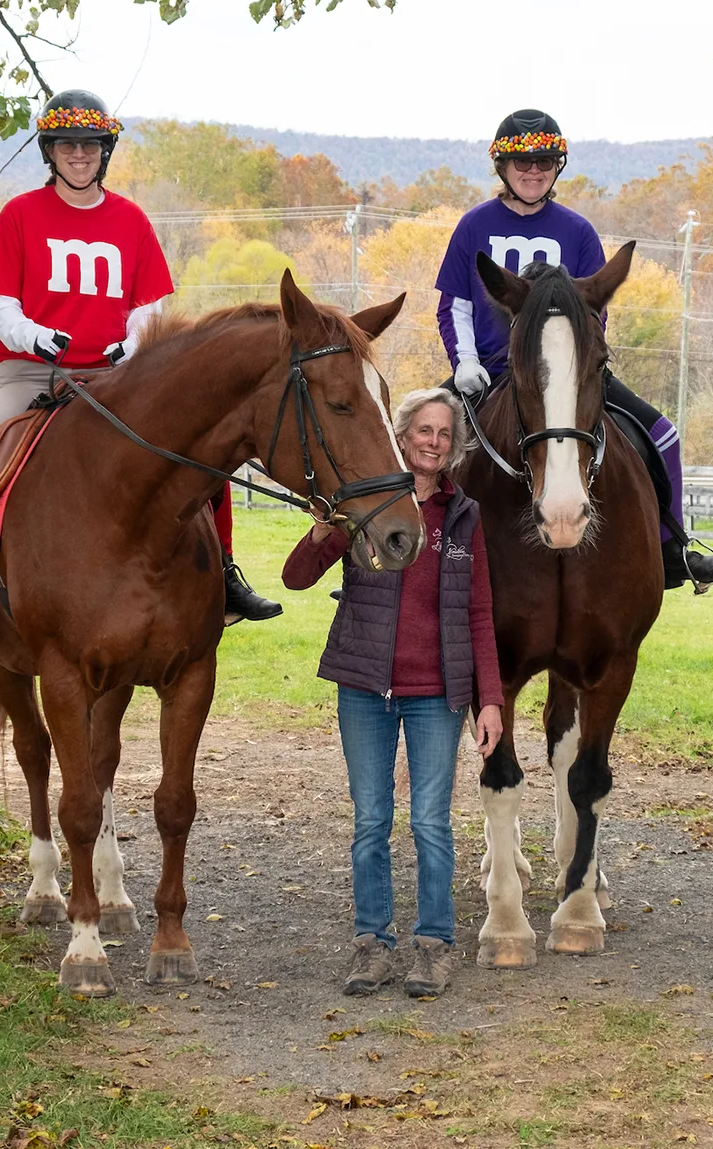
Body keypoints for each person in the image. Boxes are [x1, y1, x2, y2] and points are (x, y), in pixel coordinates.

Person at [0, 89, 282, 649]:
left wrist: (131, 342)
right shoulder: (20, 214)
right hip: (27, 371)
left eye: (91, 145)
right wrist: (35, 336)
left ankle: (224, 574)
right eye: (67, 145)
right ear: (50, 151)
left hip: (113, 377)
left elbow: (149, 304)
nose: (80, 155)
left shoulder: (130, 220)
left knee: (201, 452)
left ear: (106, 151)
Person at [433, 109, 713, 592]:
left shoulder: (577, 231)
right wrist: (465, 362)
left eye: (543, 161)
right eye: (522, 162)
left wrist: (577, 365)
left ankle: (672, 549)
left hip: (572, 372)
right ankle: (390, 562)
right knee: (409, 438)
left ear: (558, 166)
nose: (533, 170)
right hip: (490, 369)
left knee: (664, 436)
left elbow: (594, 312)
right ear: (502, 168)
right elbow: (456, 304)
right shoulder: (474, 225)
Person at [282, 388, 504, 999]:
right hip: (364, 690)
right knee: (371, 821)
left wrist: (490, 700)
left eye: (443, 433)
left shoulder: (464, 516)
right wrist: (327, 530)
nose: (432, 441)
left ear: (452, 446)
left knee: (431, 822)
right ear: (401, 436)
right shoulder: (368, 505)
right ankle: (371, 945)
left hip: (437, 693)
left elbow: (480, 613)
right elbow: (295, 579)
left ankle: (433, 947)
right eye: (422, 430)